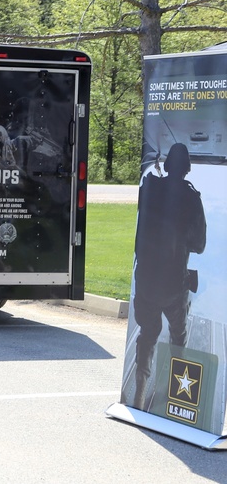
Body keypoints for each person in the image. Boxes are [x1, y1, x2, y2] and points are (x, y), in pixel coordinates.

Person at [130, 142, 206, 410]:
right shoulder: (191, 198)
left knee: (148, 334)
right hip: (174, 285)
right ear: (186, 168)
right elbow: (199, 245)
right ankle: (176, 395)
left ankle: (138, 394)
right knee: (178, 337)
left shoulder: (151, 188)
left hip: (146, 282)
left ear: (168, 165)